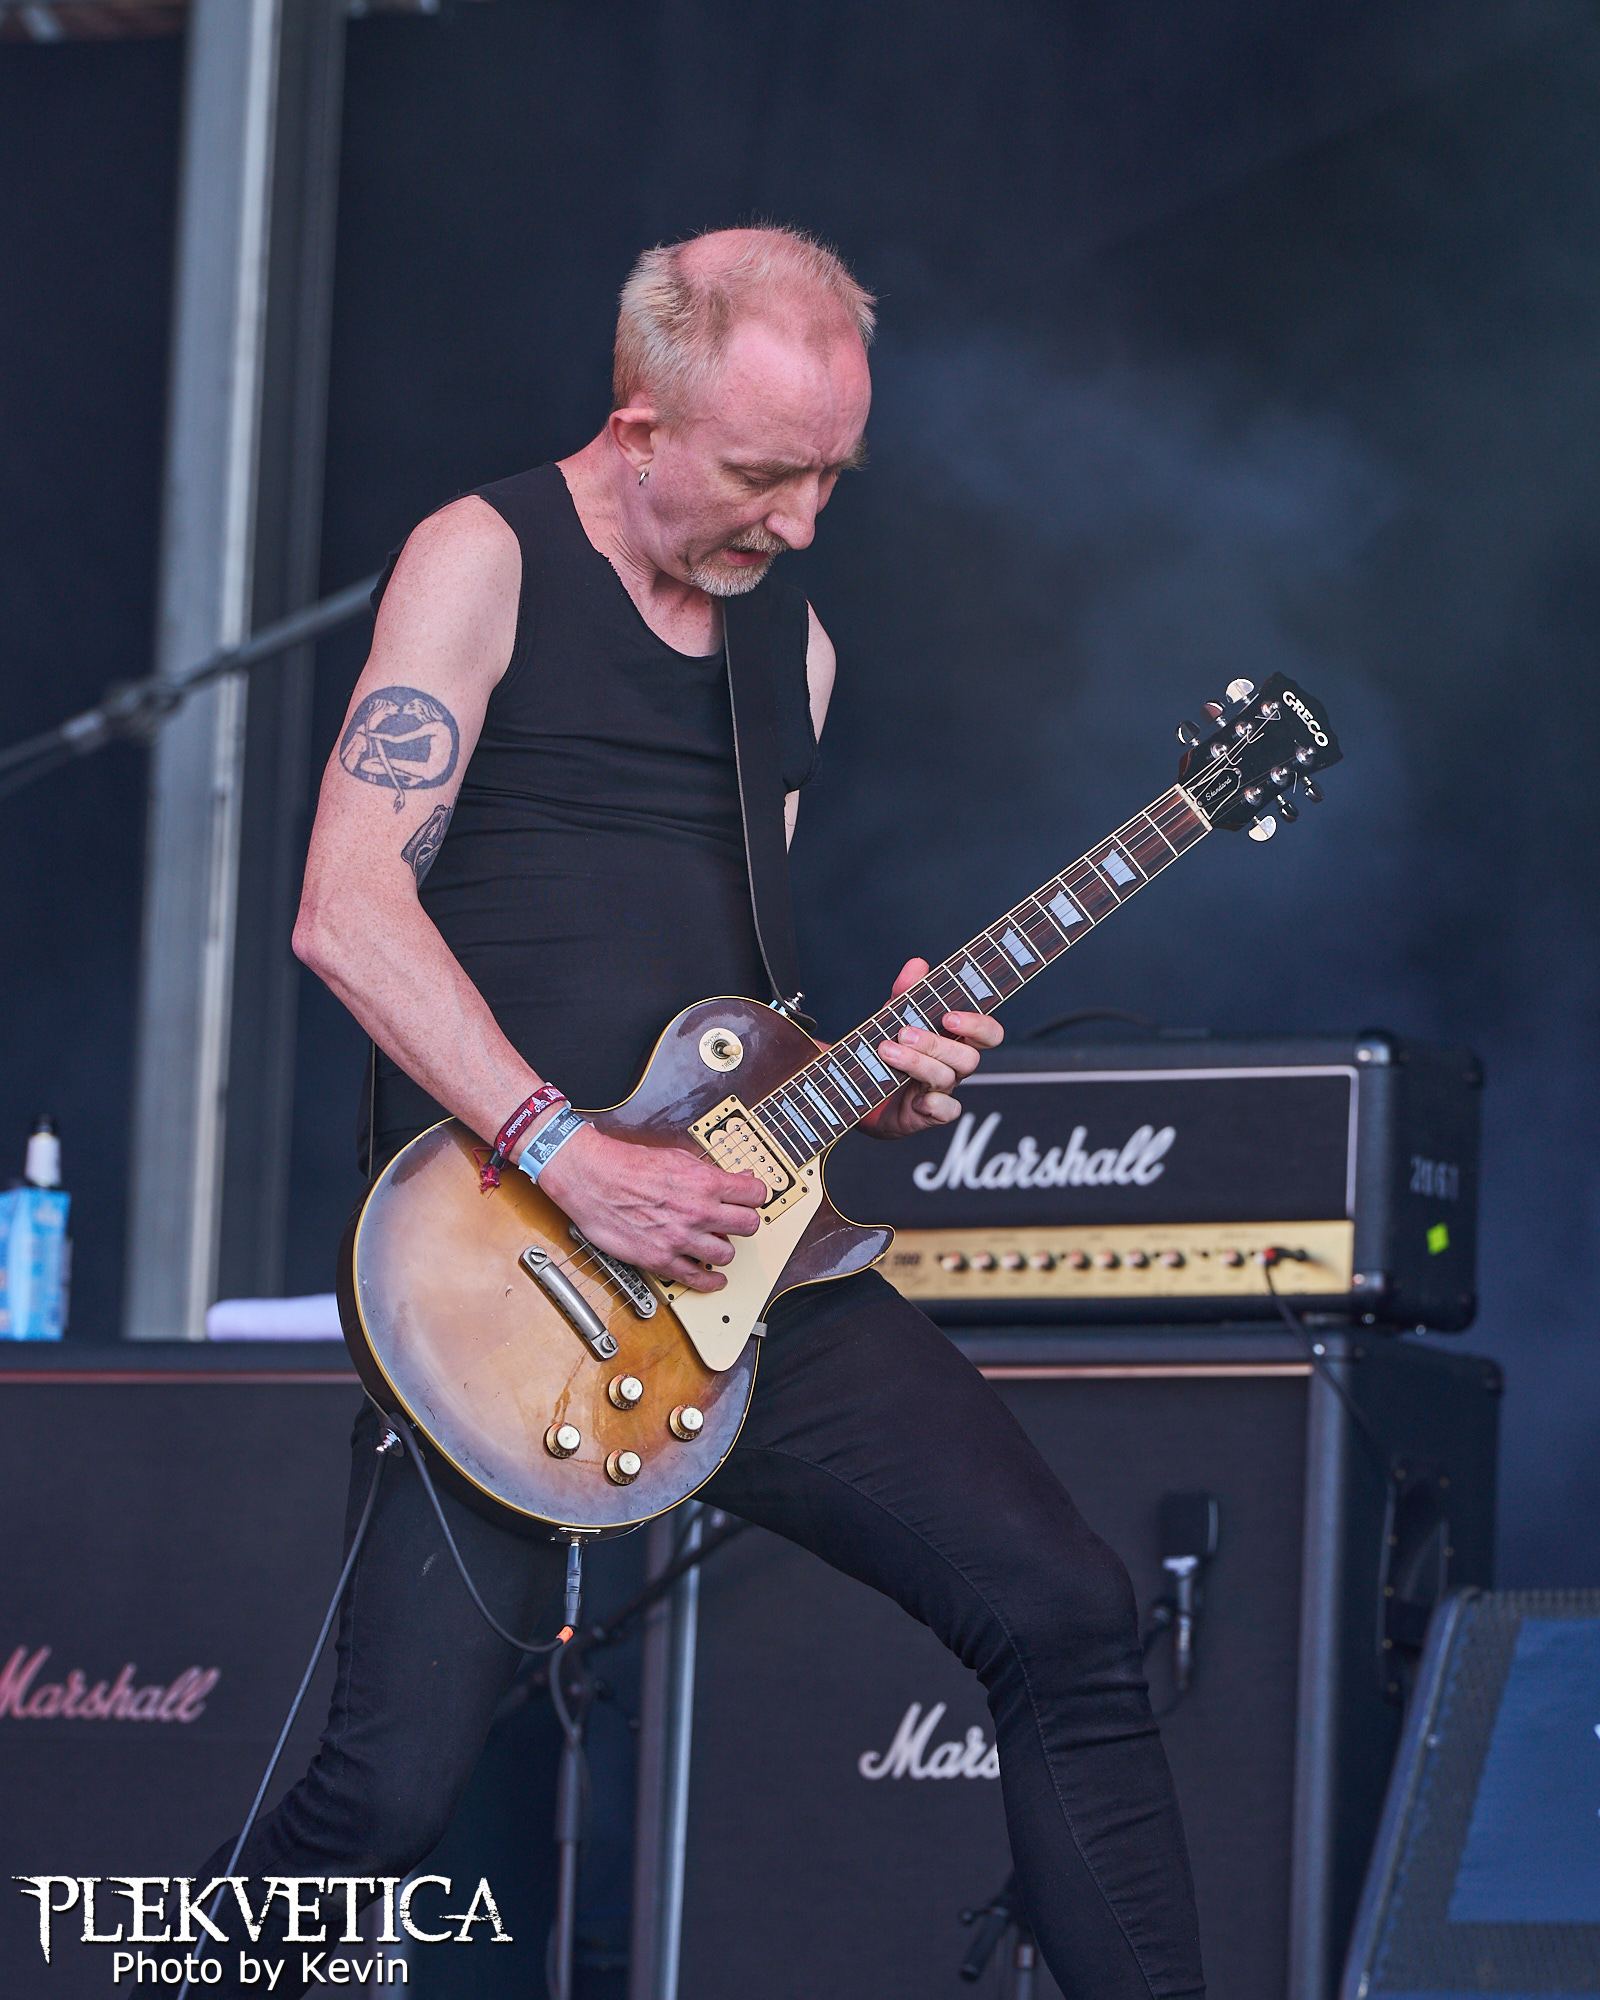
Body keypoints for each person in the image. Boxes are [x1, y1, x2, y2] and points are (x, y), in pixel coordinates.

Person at [198, 225, 1205, 1998]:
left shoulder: (787, 651)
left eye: (831, 478)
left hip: (735, 1260)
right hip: (505, 1275)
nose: (800, 522)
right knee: (385, 1799)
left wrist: (866, 1087)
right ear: (642, 420)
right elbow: (345, 909)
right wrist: (569, 1158)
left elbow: (732, 1019)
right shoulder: (484, 554)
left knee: (1070, 1614)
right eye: (762, 475)